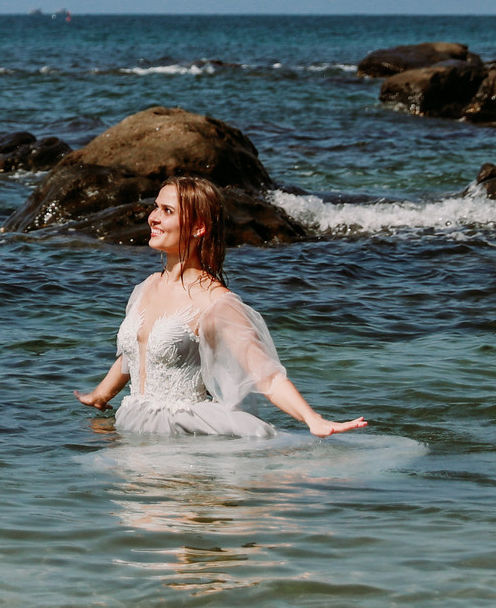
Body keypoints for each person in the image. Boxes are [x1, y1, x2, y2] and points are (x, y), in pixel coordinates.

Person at [76, 177, 368, 439]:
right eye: (156, 207)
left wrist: (312, 419)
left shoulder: (215, 302)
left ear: (198, 227)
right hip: (133, 423)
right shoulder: (146, 287)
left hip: (182, 435)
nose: (153, 218)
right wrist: (101, 395)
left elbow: (265, 374)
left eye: (168, 211)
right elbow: (138, 350)